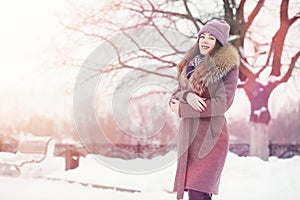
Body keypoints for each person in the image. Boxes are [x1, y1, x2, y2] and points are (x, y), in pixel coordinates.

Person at [169, 19, 240, 200]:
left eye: (211, 38)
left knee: (199, 193)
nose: (205, 41)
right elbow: (175, 96)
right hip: (189, 139)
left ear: (219, 43)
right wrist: (187, 96)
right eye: (203, 36)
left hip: (211, 139)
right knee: (195, 193)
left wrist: (183, 110)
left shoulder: (228, 68)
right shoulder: (191, 64)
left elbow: (222, 103)